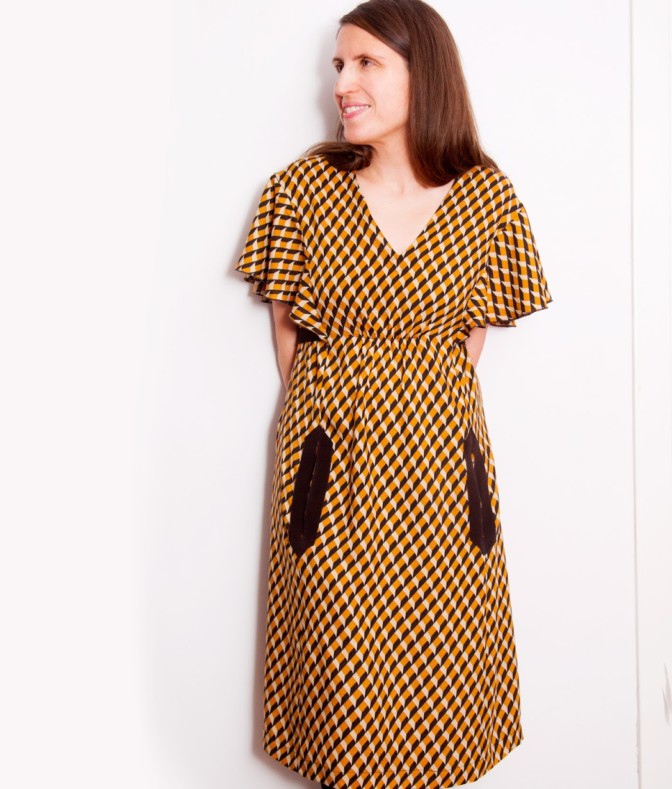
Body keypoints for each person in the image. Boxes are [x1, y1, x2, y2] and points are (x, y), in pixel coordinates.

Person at [233, 1, 553, 787]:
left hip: (442, 490)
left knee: (441, 691)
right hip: (334, 484)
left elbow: (466, 345)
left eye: (366, 63)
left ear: (424, 73)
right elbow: (290, 339)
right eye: (338, 65)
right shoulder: (300, 193)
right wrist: (340, 424)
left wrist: (412, 407)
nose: (342, 83)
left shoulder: (486, 200)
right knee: (340, 700)